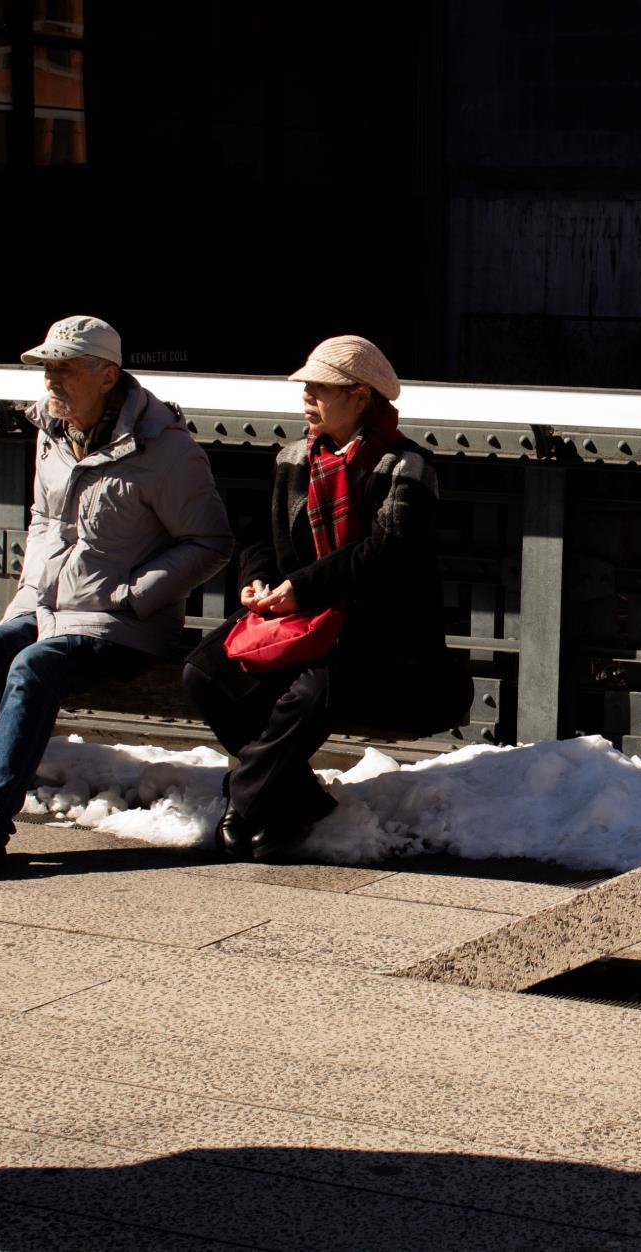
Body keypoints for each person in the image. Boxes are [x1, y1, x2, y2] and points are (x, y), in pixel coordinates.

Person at [0, 315, 233, 883]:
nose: (51, 380)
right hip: (49, 611)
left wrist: (129, 595)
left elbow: (211, 541)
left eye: (65, 369)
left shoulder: (167, 450)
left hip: (122, 623)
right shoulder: (52, 432)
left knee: (34, 666)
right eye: (46, 368)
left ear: (107, 376)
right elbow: (45, 520)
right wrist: (27, 597)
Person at [182, 335, 470, 862]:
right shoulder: (293, 458)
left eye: (320, 388)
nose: (306, 398)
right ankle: (295, 798)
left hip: (377, 629)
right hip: (301, 616)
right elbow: (259, 535)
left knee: (313, 691)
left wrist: (303, 587)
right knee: (205, 673)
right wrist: (259, 579)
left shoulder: (408, 466)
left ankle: (244, 800)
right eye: (306, 388)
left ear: (360, 397)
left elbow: (387, 553)